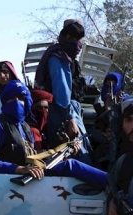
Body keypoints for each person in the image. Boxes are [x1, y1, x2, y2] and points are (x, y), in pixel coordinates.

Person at [0, 80, 106, 188]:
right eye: (12, 98)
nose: (17, 102)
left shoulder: (25, 127)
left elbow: (32, 154)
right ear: (5, 102)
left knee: (69, 162)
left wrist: (64, 150)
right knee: (71, 165)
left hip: (33, 169)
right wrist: (19, 169)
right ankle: (112, 184)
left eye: (21, 98)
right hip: (13, 177)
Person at [34, 19, 92, 153]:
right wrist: (70, 119)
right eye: (74, 37)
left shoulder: (66, 57)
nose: (78, 43)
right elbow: (62, 92)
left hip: (67, 110)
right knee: (80, 154)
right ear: (67, 35)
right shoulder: (59, 57)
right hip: (63, 112)